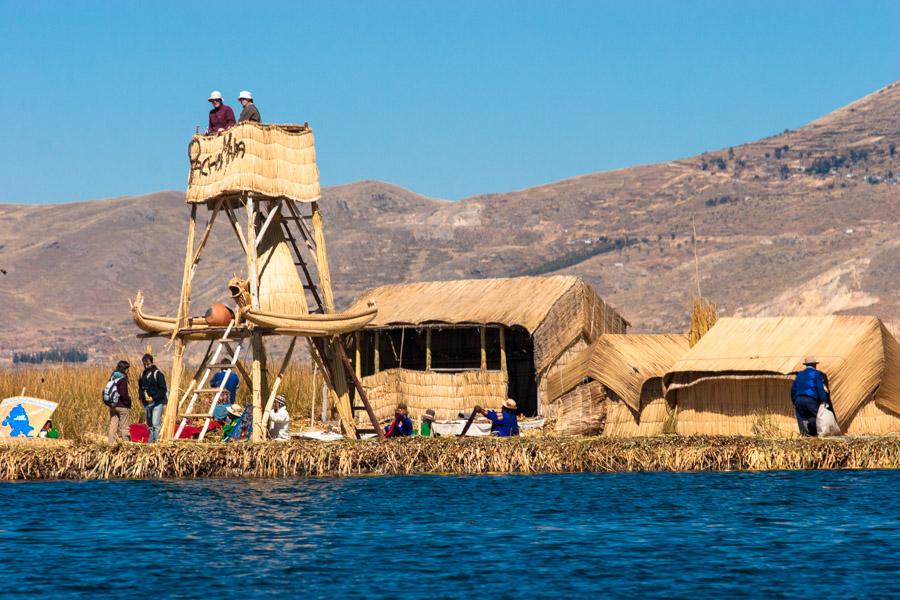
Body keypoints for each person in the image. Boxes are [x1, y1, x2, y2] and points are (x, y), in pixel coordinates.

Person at [790, 356, 830, 436]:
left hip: (798, 399)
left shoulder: (800, 375)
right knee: (816, 417)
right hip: (810, 399)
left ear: (806, 365)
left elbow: (793, 389)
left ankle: (804, 435)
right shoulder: (816, 374)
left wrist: (794, 400)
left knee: (801, 418)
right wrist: (823, 400)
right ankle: (815, 435)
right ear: (815, 365)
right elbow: (820, 388)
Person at [138, 353, 167, 443]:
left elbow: (163, 389)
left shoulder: (158, 374)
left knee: (155, 424)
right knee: (150, 425)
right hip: (147, 404)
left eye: (148, 364)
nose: (146, 366)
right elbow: (140, 387)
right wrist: (142, 397)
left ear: (152, 362)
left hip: (157, 402)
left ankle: (156, 443)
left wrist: (153, 397)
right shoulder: (142, 374)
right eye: (145, 364)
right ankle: (151, 443)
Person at [107, 360, 132, 443]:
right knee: (125, 427)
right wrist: (129, 402)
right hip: (122, 406)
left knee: (113, 426)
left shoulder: (112, 377)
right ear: (124, 369)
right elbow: (124, 394)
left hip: (112, 406)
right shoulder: (122, 379)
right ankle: (126, 445)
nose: (128, 371)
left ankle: (111, 444)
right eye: (127, 369)